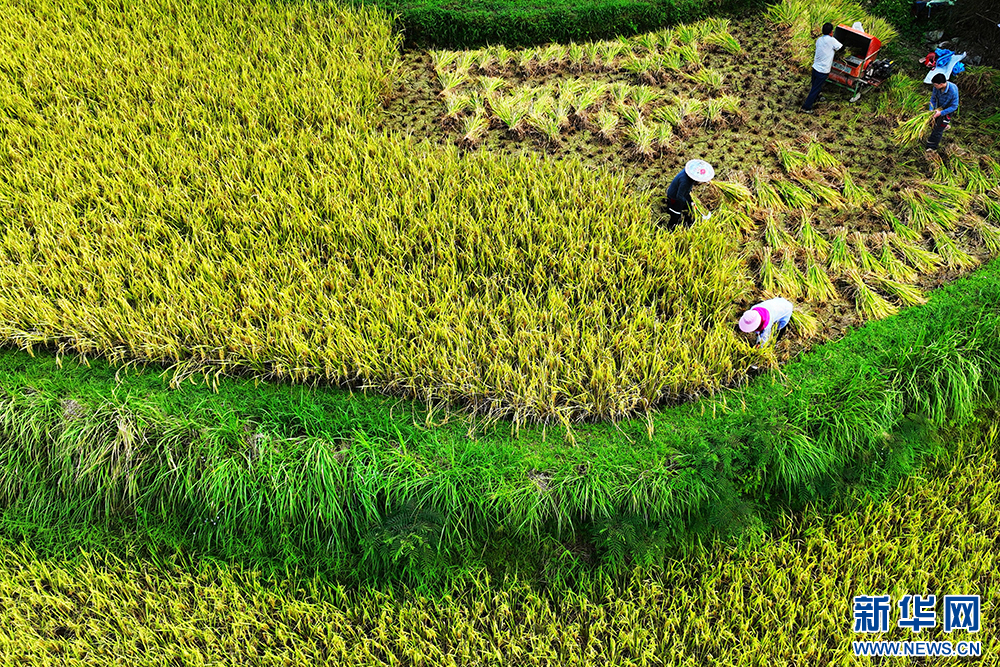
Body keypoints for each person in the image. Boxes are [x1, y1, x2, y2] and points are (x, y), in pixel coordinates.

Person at [800, 23, 843, 114]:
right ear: (831, 32)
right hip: (823, 70)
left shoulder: (819, 40)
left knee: (815, 85)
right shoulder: (832, 40)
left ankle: (817, 97)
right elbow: (841, 48)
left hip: (815, 68)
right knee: (815, 89)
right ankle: (806, 107)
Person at [666, 159, 714, 229]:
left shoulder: (688, 173)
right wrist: (689, 203)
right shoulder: (685, 182)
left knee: (690, 204)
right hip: (674, 197)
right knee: (676, 215)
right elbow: (679, 197)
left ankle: (688, 218)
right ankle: (670, 229)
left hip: (682, 192)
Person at [925, 73, 958, 152]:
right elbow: (933, 98)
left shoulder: (953, 90)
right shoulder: (936, 88)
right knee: (933, 123)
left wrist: (941, 113)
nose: (934, 87)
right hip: (937, 108)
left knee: (937, 131)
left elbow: (954, 106)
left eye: (936, 85)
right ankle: (944, 126)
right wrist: (931, 110)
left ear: (942, 84)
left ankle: (932, 147)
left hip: (947, 111)